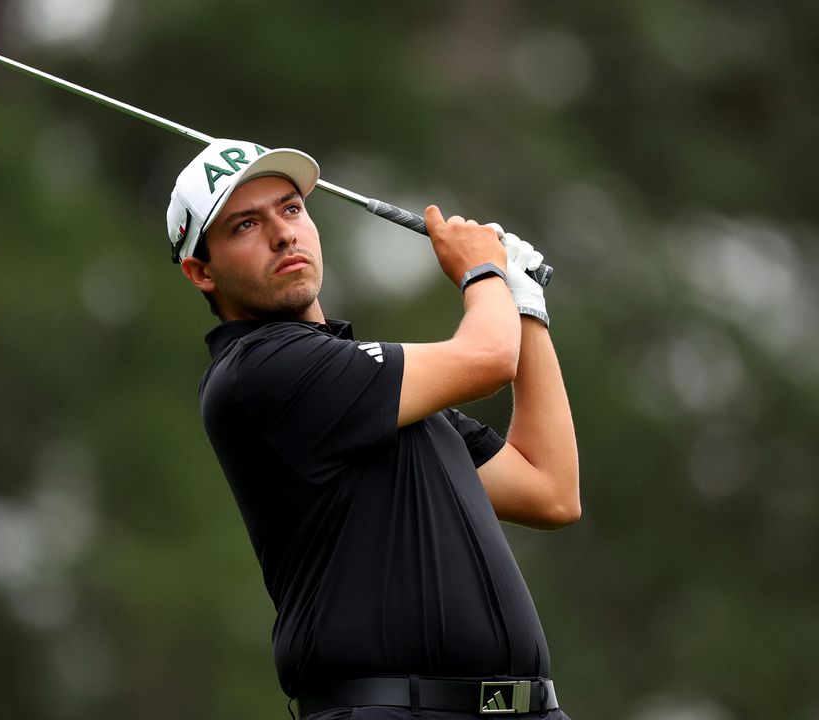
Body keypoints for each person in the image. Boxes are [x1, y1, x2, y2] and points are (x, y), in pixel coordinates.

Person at [167, 139, 580, 719]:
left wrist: (525, 305)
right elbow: (488, 359)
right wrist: (485, 272)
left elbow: (549, 489)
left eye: (290, 209)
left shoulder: (374, 389)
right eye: (244, 226)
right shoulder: (260, 372)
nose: (283, 234)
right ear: (200, 271)